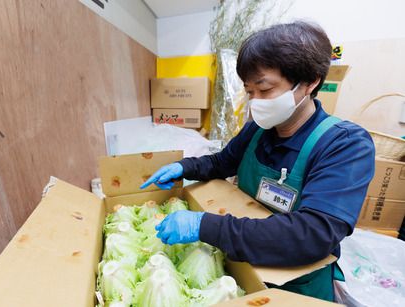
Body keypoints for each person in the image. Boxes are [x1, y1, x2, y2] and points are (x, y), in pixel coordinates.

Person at [140, 21, 375, 302]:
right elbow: (222, 162)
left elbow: (312, 234)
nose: (256, 102)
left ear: (310, 82)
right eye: (250, 92)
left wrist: (204, 225)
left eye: (265, 90)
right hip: (242, 266)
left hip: (297, 284)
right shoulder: (258, 130)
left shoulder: (345, 144)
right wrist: (185, 167)